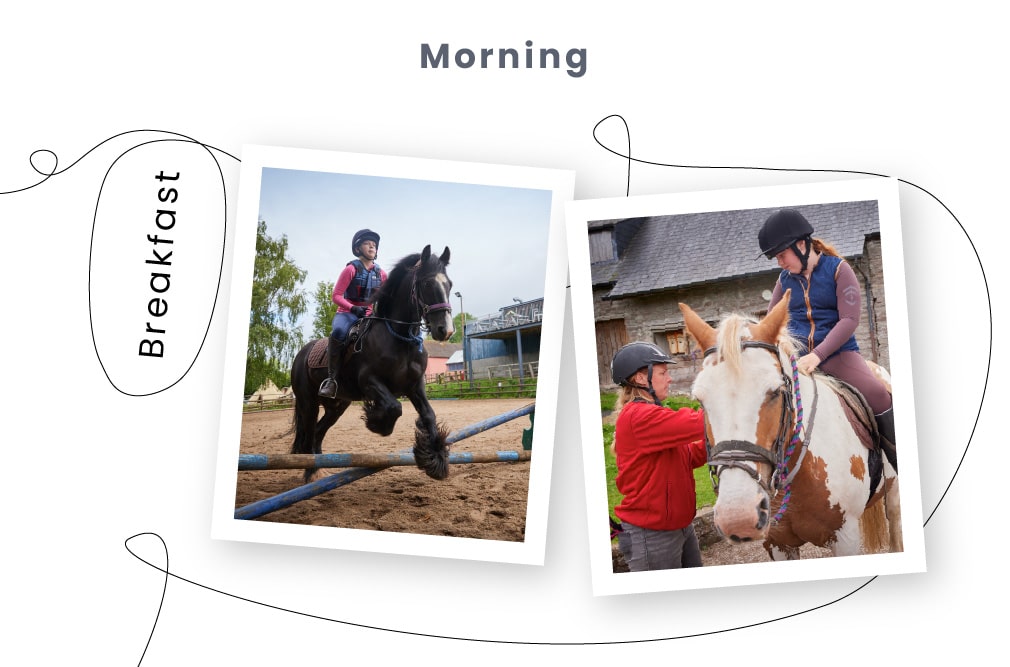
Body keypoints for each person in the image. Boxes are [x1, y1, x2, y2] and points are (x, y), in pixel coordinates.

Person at [757, 208, 897, 471]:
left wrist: (818, 355)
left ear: (801, 245)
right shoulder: (783, 281)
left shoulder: (839, 270)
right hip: (796, 360)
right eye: (776, 258)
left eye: (781, 255)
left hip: (838, 355)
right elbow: (770, 324)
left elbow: (849, 321)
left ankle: (902, 465)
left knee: (879, 395)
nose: (780, 263)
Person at [610, 342, 708, 571]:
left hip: (679, 526)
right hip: (652, 534)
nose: (669, 378)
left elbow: (689, 457)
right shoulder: (639, 416)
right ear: (641, 379)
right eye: (663, 372)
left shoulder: (654, 414)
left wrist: (711, 444)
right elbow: (699, 422)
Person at [318, 229, 388, 398]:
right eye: (367, 244)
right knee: (339, 332)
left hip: (369, 315)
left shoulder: (382, 274)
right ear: (357, 249)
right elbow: (336, 296)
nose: (372, 247)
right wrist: (353, 308)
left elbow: (388, 296)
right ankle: (331, 380)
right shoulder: (350, 269)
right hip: (347, 314)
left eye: (374, 245)